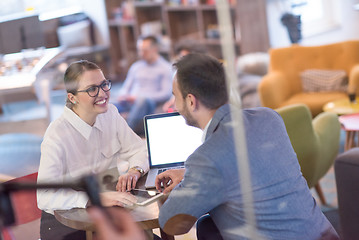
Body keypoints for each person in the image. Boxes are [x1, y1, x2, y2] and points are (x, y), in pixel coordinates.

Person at [154, 53, 339, 240]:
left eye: (175, 97)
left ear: (191, 101)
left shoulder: (205, 158)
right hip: (323, 234)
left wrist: (184, 186)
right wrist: (190, 175)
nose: (175, 106)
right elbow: (246, 166)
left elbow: (171, 223)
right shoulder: (269, 118)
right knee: (208, 227)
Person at [37, 60, 149, 240]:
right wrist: (91, 199)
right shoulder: (56, 135)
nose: (103, 93)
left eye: (104, 85)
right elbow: (44, 197)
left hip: (107, 210)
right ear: (72, 98)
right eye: (92, 89)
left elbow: (138, 149)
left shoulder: (110, 114)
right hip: (66, 222)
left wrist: (135, 171)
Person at [115, 35, 173, 134]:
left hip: (149, 103)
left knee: (142, 100)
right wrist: (123, 95)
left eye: (144, 51)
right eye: (139, 50)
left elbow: (166, 93)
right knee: (108, 104)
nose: (141, 54)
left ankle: (127, 134)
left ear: (155, 49)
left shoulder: (165, 68)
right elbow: (125, 87)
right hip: (129, 102)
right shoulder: (136, 67)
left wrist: (137, 98)